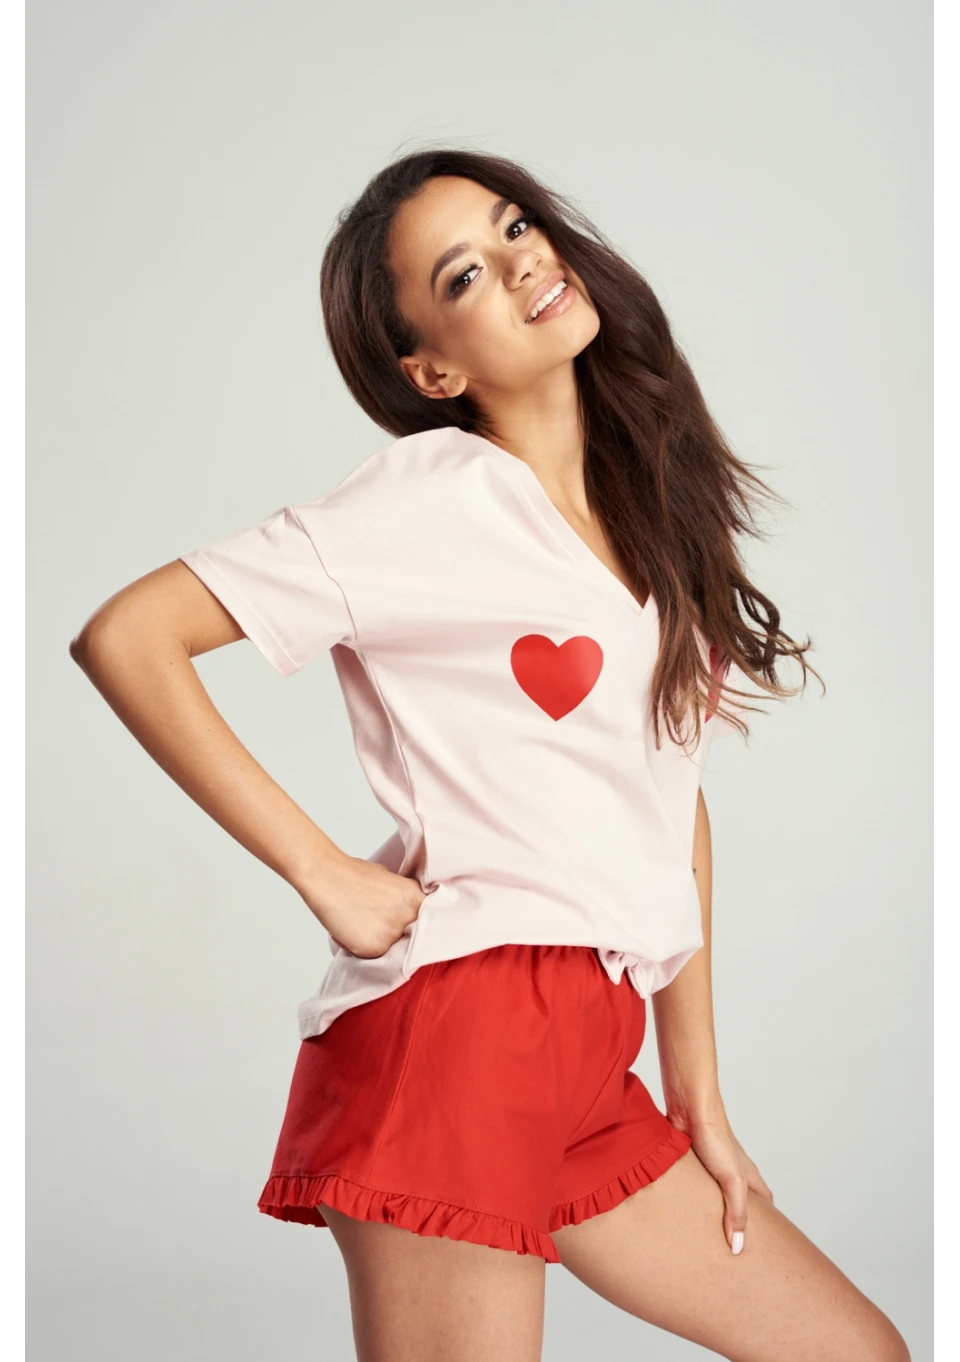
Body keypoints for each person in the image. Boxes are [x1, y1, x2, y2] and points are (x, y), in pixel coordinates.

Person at [69, 148, 910, 1362]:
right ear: (433, 370)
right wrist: (322, 870)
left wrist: (699, 1091)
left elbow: (670, 797)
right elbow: (128, 635)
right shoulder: (431, 496)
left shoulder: (640, 510)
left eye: (516, 225)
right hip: (459, 1037)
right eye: (464, 274)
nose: (521, 262)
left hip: (590, 1051)